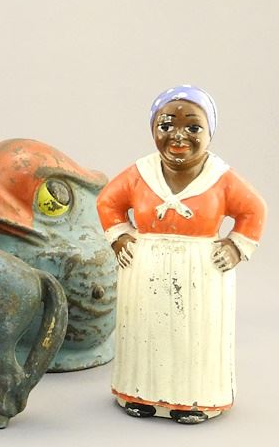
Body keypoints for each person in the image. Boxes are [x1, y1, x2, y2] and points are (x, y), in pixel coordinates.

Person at [96, 85, 265, 423]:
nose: (178, 135)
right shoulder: (140, 173)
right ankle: (139, 393)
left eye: (193, 127)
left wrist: (235, 247)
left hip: (201, 270)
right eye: (166, 125)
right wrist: (120, 237)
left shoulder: (220, 177)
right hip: (145, 266)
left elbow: (254, 210)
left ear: (209, 132)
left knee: (196, 337)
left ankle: (195, 399)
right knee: (144, 332)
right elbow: (108, 202)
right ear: (153, 129)